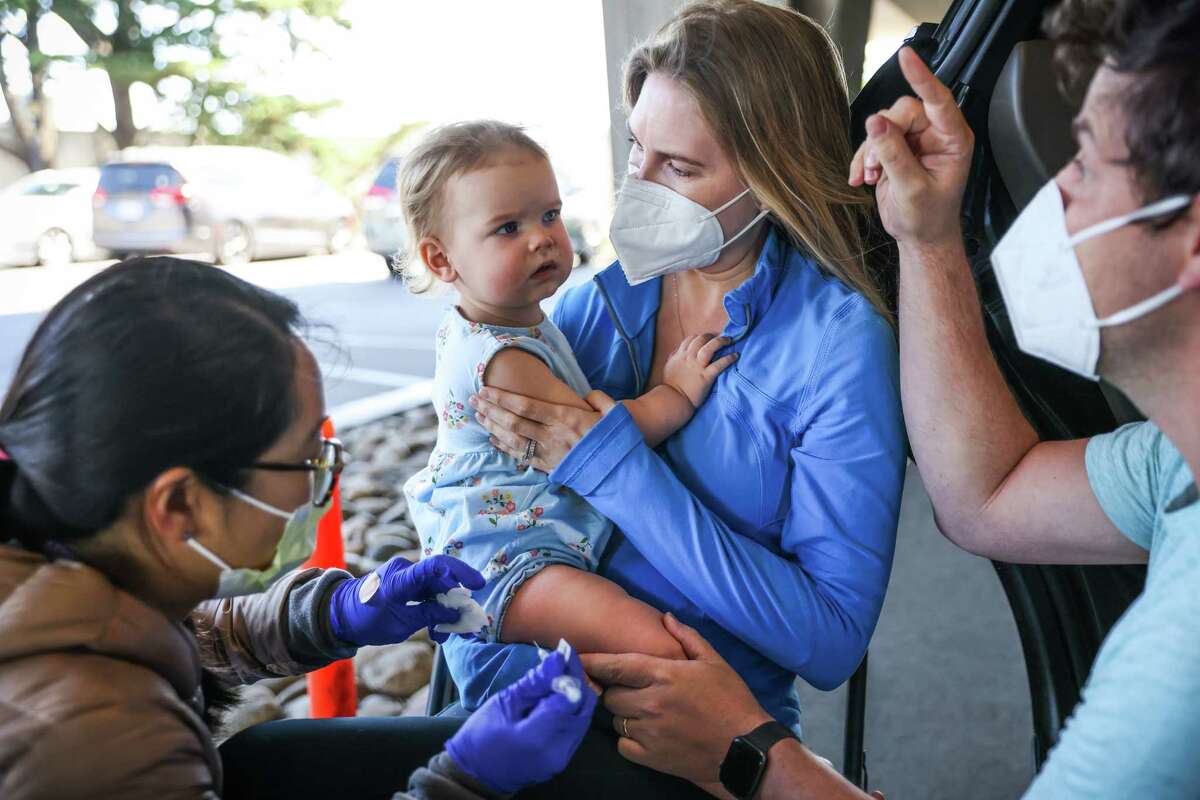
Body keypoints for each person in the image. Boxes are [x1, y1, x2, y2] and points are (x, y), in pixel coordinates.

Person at [580, 0, 1200, 797]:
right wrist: (928, 234)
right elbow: (986, 496)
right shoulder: (1169, 469)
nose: (1052, 198)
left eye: (1083, 165)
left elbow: (832, 631)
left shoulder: (1178, 664)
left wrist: (753, 756)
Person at [465, 0, 907, 781]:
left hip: (685, 742)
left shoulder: (836, 344)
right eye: (638, 148)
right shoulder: (594, 302)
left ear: (772, 177)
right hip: (515, 705)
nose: (639, 185)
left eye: (680, 167)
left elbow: (833, 639)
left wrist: (614, 468)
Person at [0, 257, 594, 799]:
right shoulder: (99, 746)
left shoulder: (66, 563)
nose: (326, 478)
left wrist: (332, 613)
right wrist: (468, 782)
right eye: (308, 459)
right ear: (179, 504)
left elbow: (188, 636)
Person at [397, 121, 735, 668]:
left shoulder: (507, 322)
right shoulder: (501, 359)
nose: (542, 238)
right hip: (508, 562)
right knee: (659, 646)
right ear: (441, 260)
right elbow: (598, 443)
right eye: (508, 227)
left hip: (528, 546)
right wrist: (676, 392)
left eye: (550, 214)